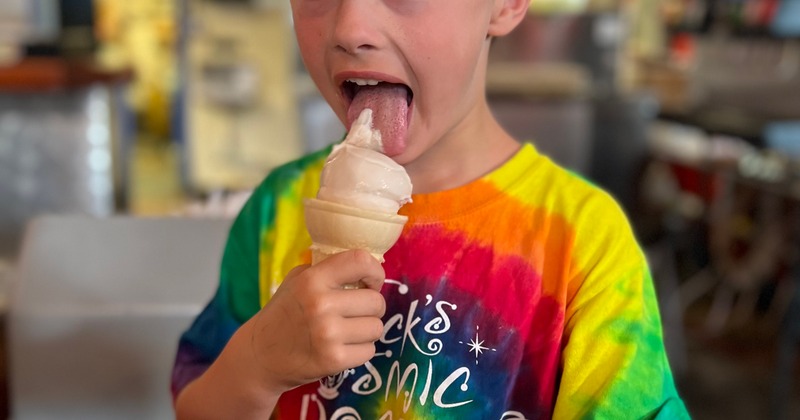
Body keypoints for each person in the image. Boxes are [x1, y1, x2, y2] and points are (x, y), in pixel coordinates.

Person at [172, 0, 690, 417]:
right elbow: (196, 405)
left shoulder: (582, 243)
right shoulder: (278, 210)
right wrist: (259, 363)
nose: (351, 28)